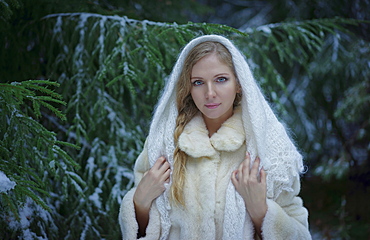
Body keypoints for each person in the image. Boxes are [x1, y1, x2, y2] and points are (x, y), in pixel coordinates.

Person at [119, 34, 311, 240]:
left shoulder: (268, 146)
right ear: (187, 87)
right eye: (198, 82)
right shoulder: (164, 143)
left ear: (239, 83)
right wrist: (139, 202)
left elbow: (300, 233)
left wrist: (260, 211)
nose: (210, 93)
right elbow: (142, 230)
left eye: (221, 79)